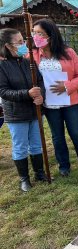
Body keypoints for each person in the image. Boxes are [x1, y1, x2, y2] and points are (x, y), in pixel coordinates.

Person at [32, 19, 78, 177]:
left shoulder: (68, 52)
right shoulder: (31, 55)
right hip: (49, 103)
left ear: (50, 35)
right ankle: (64, 165)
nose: (36, 36)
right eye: (34, 33)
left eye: (40, 33)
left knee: (75, 132)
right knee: (57, 136)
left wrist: (67, 86)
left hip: (70, 101)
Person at [0, 28, 46, 191]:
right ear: (8, 46)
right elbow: (3, 91)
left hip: (34, 112)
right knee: (20, 146)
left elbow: (40, 82)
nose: (23, 45)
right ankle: (24, 179)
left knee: (36, 144)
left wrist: (41, 96)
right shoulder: (2, 66)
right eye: (19, 42)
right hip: (16, 113)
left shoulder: (29, 62)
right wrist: (26, 93)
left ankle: (39, 173)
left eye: (23, 41)